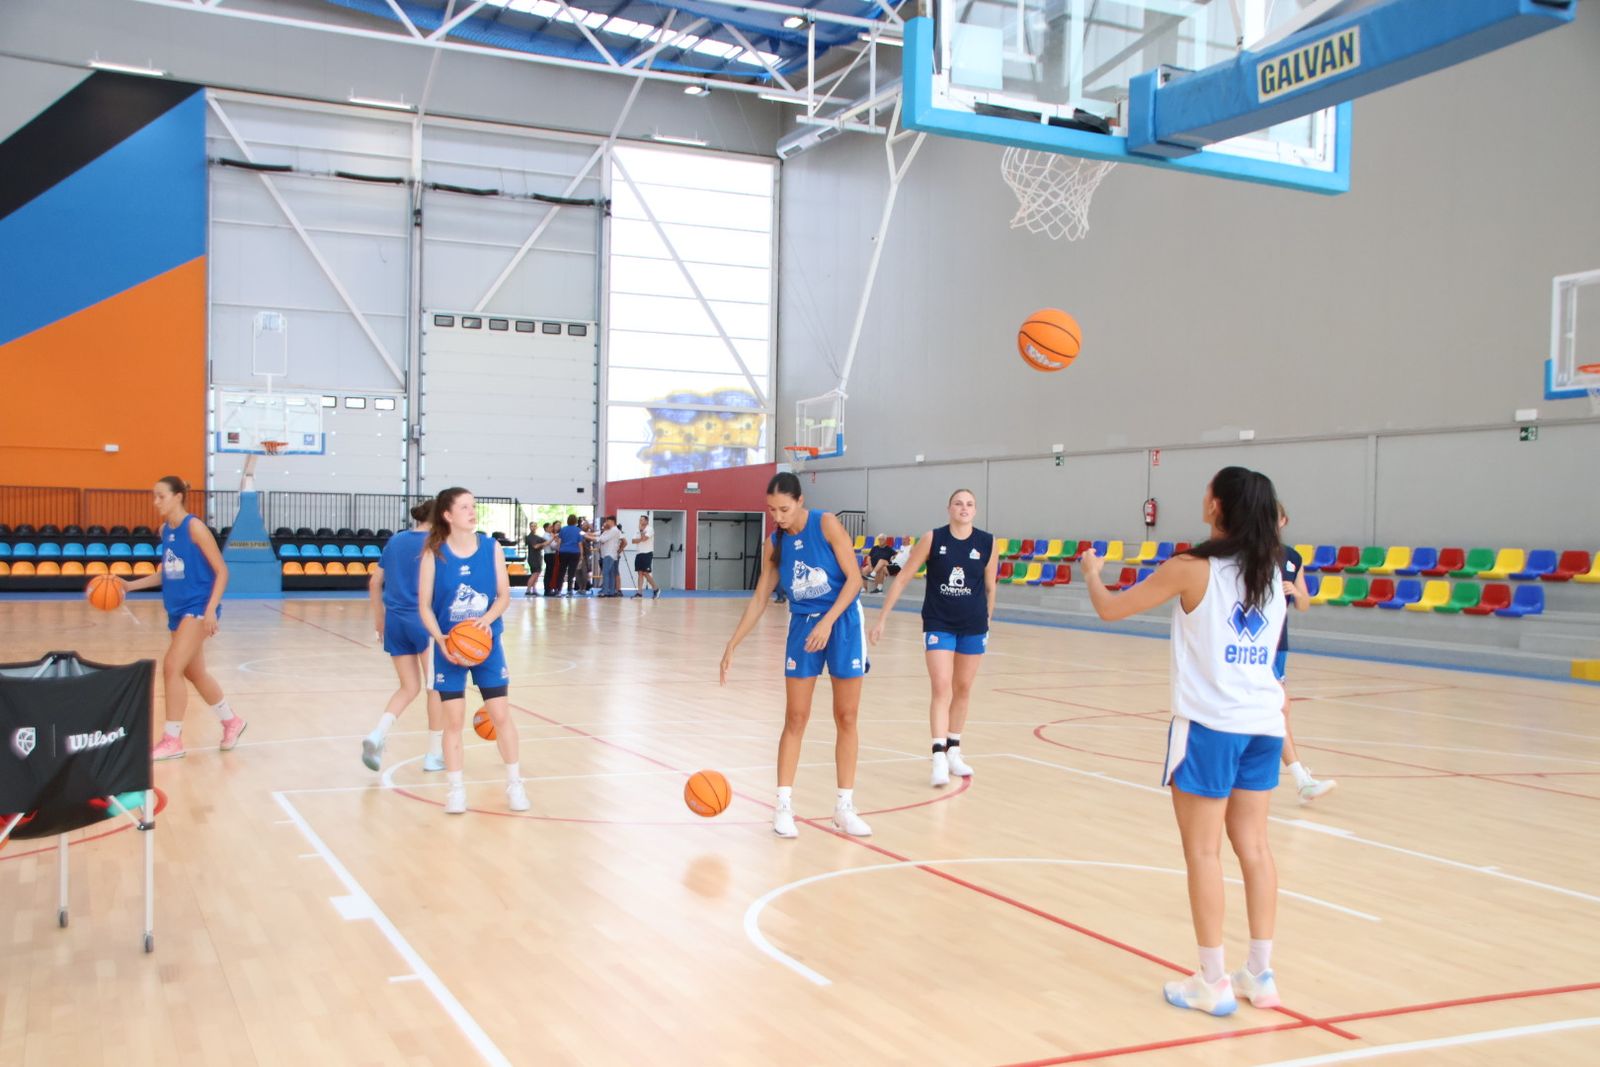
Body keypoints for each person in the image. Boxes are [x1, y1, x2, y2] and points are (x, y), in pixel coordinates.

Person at [1080, 466, 1287, 1017]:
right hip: (1264, 724)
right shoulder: (1271, 573)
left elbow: (1109, 608)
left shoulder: (1193, 570)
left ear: (1220, 506)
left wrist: (1093, 572)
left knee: (1203, 851)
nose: (1202, 496)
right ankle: (1260, 974)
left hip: (1210, 725)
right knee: (1256, 848)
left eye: (1208, 491)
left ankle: (1214, 981)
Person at [720, 473, 871, 838]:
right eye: (772, 510)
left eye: (784, 509)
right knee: (795, 717)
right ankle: (783, 807)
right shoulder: (775, 543)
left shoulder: (827, 524)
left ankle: (844, 807)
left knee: (846, 716)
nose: (779, 516)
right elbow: (760, 597)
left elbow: (855, 580)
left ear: (800, 501)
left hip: (844, 621)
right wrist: (733, 643)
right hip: (803, 625)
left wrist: (828, 623)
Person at [869, 489, 998, 787]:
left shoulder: (988, 543)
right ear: (949, 508)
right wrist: (883, 618)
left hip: (974, 625)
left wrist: (988, 619)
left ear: (975, 511)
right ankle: (938, 755)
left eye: (969, 504)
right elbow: (901, 578)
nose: (964, 508)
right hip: (939, 623)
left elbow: (990, 587)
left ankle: (955, 750)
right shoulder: (933, 538)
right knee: (942, 687)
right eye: (958, 503)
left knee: (963, 688)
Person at [120, 476, 245, 761]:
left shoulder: (195, 527)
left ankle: (172, 739)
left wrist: (212, 608)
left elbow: (222, 571)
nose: (156, 502)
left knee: (172, 666)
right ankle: (231, 721)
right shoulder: (166, 530)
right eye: (154, 496)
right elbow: (165, 571)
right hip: (177, 610)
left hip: (198, 607)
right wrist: (129, 585)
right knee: (194, 672)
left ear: (178, 496)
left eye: (160, 496)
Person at [417, 487, 526, 814]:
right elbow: (423, 606)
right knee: (453, 722)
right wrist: (441, 640)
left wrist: (486, 622)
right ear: (448, 515)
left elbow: (503, 596)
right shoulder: (434, 553)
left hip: (486, 645)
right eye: (464, 507)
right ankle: (455, 790)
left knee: (501, 715)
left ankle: (515, 783)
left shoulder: (491, 547)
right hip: (449, 648)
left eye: (473, 506)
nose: (472, 511)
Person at [362, 501, 446, 772]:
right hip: (424, 621)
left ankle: (378, 733)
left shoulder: (396, 541)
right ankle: (434, 755)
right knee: (435, 688)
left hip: (395, 621)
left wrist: (379, 619)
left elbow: (375, 582)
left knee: (408, 687)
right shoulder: (437, 544)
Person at [1276, 505, 1336, 802]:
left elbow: (1304, 603)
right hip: (1249, 644)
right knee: (1278, 708)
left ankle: (1300, 778)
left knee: (1276, 710)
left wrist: (1296, 592)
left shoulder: (1292, 557)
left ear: (1284, 520)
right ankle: (1301, 778)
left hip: (1278, 644)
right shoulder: (1247, 552)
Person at [585, 516, 624, 597]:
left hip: (609, 554)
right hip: (609, 554)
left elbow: (602, 539)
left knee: (606, 573)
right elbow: (599, 536)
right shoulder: (610, 530)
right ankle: (611, 591)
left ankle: (605, 591)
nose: (606, 523)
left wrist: (587, 536)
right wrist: (589, 535)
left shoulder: (614, 530)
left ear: (612, 521)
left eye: (608, 521)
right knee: (610, 574)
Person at [631, 513, 661, 599]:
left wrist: (640, 535)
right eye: (640, 520)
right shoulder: (638, 529)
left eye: (642, 520)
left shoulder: (650, 529)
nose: (640, 521)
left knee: (645, 573)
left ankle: (656, 589)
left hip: (647, 553)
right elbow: (633, 541)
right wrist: (640, 537)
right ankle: (639, 593)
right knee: (640, 573)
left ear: (646, 521)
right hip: (639, 553)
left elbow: (645, 539)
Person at [555, 514, 584, 596]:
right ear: (575, 521)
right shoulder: (578, 530)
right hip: (575, 553)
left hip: (563, 552)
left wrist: (558, 550)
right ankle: (569, 591)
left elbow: (559, 542)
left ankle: (558, 590)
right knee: (571, 572)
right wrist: (581, 555)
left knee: (562, 572)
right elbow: (580, 544)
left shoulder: (563, 529)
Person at [523, 523, 549, 597]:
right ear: (529, 527)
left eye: (535, 526)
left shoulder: (537, 537)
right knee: (534, 574)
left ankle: (534, 589)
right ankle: (528, 590)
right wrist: (543, 544)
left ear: (537, 527)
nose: (533, 527)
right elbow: (535, 546)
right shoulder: (530, 537)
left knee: (537, 574)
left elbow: (546, 542)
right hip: (533, 558)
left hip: (538, 557)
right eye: (532, 526)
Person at [543, 522, 560, 596]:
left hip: (551, 554)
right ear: (546, 528)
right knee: (548, 573)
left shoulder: (550, 535)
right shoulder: (546, 536)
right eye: (550, 527)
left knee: (550, 573)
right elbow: (553, 546)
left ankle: (548, 589)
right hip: (549, 555)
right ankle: (547, 590)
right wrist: (557, 541)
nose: (552, 528)